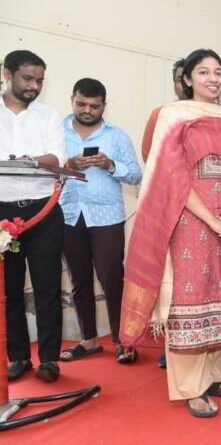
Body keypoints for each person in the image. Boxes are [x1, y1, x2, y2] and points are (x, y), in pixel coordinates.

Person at [119, 48, 221, 418]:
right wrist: (212, 220)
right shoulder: (173, 115)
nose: (213, 78)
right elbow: (172, 176)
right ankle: (190, 386)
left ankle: (219, 373)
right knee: (190, 298)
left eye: (218, 72)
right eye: (204, 72)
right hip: (191, 223)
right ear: (188, 78)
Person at [59, 78, 142, 364]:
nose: (87, 110)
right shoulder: (57, 132)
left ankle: (123, 340)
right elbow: (45, 171)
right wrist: (68, 165)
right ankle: (89, 339)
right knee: (79, 279)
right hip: (69, 213)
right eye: (81, 104)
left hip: (107, 216)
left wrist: (110, 165)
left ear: (104, 106)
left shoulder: (116, 136)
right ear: (72, 100)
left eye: (94, 106)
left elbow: (135, 174)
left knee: (112, 277)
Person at [1, 50, 67, 383]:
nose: (34, 86)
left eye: (39, 80)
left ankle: (50, 359)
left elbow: (58, 157)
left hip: (43, 210)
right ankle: (18, 357)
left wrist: (29, 160)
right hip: (2, 212)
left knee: (48, 288)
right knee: (9, 289)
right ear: (7, 74)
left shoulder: (49, 116)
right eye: (27, 78)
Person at [141, 58, 186, 163]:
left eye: (188, 79)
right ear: (174, 86)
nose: (185, 84)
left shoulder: (210, 115)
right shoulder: (160, 114)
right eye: (179, 80)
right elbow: (147, 154)